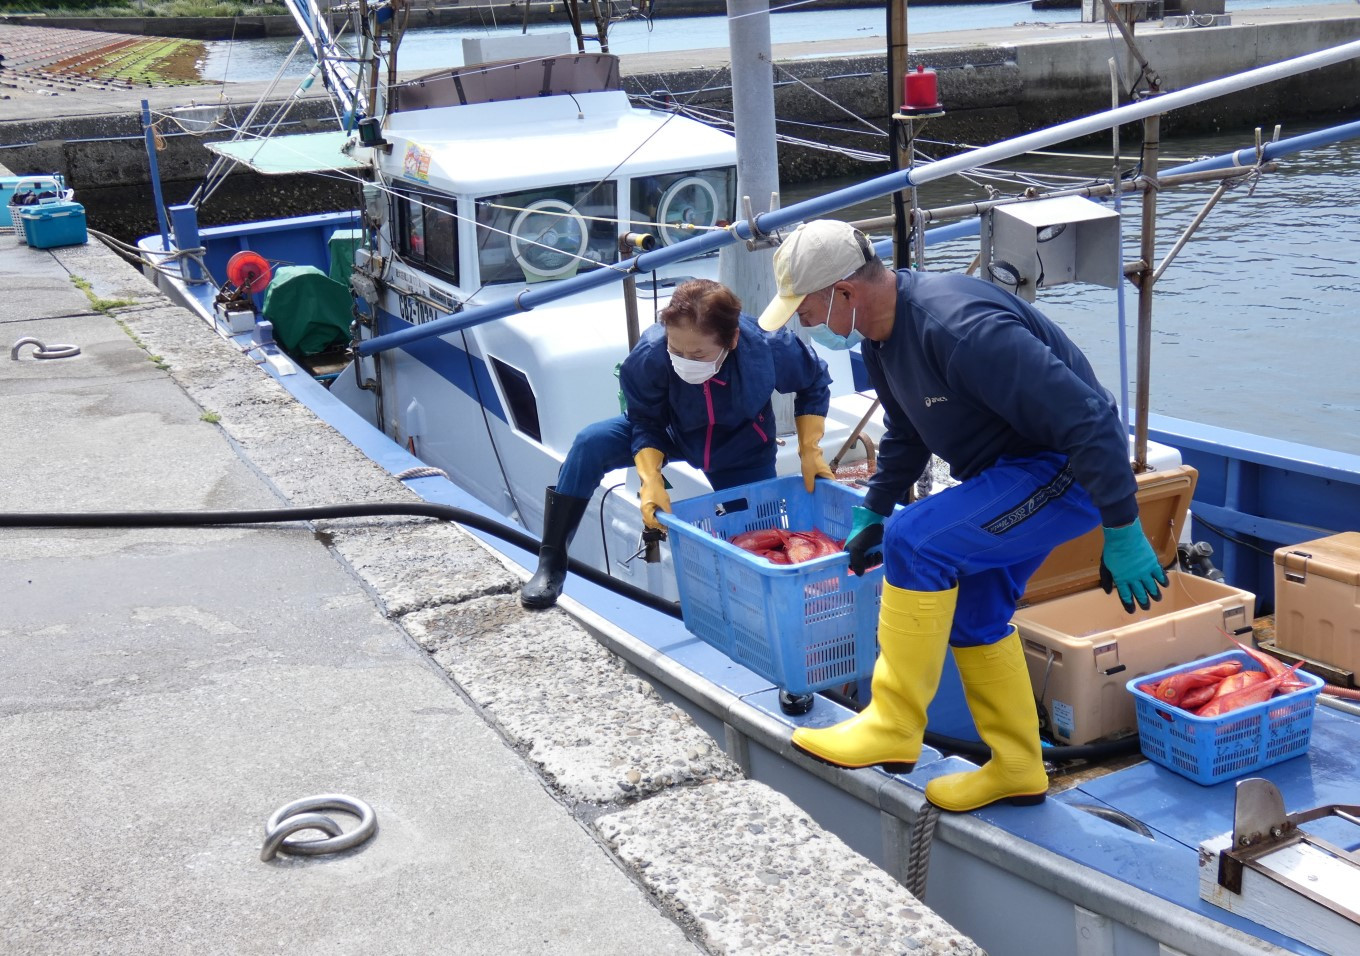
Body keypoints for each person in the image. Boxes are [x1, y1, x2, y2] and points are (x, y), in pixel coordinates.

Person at [758, 220, 1166, 812]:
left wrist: (1123, 529)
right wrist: (873, 507)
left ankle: (894, 723)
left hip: (1067, 468)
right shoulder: (879, 336)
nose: (806, 323)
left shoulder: (962, 329)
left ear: (844, 292)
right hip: (1008, 477)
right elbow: (906, 429)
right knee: (975, 613)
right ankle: (1021, 765)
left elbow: (1090, 422)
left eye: (808, 308)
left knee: (918, 542)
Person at [521, 278, 835, 608]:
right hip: (671, 431)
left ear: (733, 338)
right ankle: (551, 561)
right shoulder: (649, 356)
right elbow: (645, 420)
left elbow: (814, 380)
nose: (686, 360)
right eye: (677, 351)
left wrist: (810, 450)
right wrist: (651, 479)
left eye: (698, 353)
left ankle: (753, 606)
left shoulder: (770, 346)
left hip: (741, 446)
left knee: (757, 539)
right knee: (590, 443)